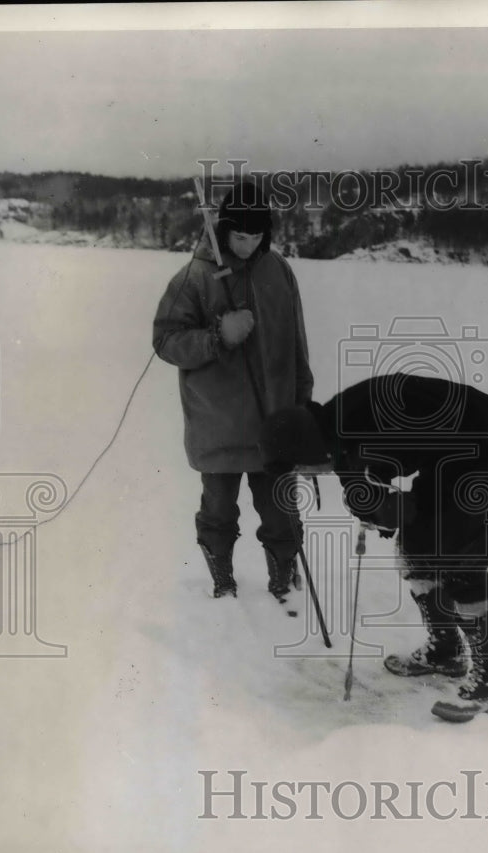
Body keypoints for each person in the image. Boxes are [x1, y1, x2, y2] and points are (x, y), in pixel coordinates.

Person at [259, 373, 488, 722]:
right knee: (417, 544)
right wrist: (376, 508)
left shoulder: (362, 425)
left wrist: (384, 509)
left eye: (299, 466)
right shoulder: (334, 432)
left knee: (457, 555)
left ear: (305, 446)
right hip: (451, 449)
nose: (306, 473)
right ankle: (446, 651)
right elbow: (370, 489)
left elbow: (396, 499)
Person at [153, 179, 314, 600]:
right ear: (223, 230)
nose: (247, 245)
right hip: (218, 422)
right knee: (219, 510)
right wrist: (217, 336)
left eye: (256, 236)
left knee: (281, 510)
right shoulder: (194, 276)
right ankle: (222, 580)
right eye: (239, 236)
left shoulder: (279, 270)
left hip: (274, 424)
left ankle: (284, 580)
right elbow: (165, 341)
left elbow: (297, 344)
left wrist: (302, 407)